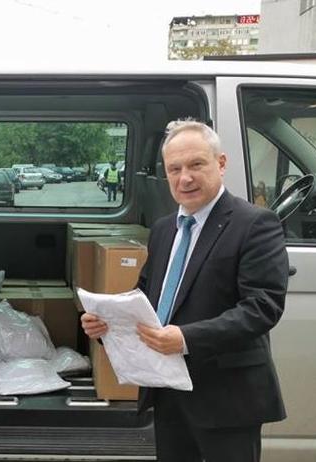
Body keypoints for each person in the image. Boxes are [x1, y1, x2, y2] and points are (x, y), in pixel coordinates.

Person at [81, 120, 288, 462]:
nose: (185, 178)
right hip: (168, 391)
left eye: (196, 165)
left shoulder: (255, 224)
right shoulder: (164, 229)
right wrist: (107, 322)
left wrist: (186, 338)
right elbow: (145, 296)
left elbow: (262, 307)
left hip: (227, 398)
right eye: (174, 169)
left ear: (221, 163)